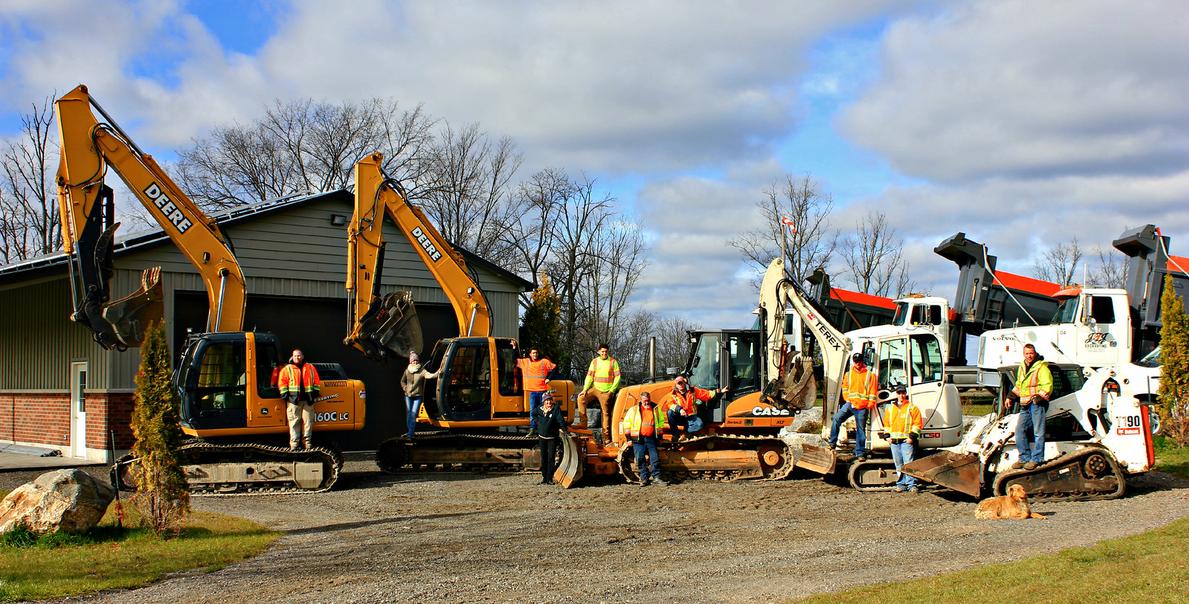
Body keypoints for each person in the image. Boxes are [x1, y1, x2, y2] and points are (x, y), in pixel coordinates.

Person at [827, 352, 879, 461]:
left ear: (862, 361)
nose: (857, 364)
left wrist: (869, 405)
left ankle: (859, 453)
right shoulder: (848, 374)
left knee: (861, 430)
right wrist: (848, 399)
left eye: (859, 361)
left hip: (862, 407)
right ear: (853, 362)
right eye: (855, 361)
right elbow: (845, 388)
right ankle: (832, 443)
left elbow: (873, 391)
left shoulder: (870, 375)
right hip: (850, 404)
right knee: (836, 418)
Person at [1009, 344, 1053, 470]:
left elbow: (1048, 385)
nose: (1029, 356)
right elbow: (1019, 385)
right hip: (1025, 404)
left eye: (1031, 353)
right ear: (1024, 354)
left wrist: (1038, 398)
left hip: (1036, 404)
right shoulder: (1022, 367)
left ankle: (1037, 459)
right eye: (1027, 353)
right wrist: (1010, 397)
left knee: (1038, 432)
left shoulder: (1041, 367)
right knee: (1019, 430)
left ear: (1035, 353)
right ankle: (1024, 458)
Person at [880, 385, 923, 493]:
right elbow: (886, 424)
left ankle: (912, 485)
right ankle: (901, 485)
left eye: (903, 393)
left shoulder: (912, 407)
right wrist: (887, 437)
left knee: (908, 463)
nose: (901, 395)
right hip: (894, 442)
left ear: (905, 394)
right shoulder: (890, 408)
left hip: (906, 441)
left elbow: (917, 424)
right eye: (899, 393)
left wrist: (911, 437)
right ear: (896, 394)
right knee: (899, 464)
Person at [278, 348, 321, 450]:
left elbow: (316, 380)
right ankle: (294, 445)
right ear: (292, 357)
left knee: (308, 422)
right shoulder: (287, 369)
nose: (297, 357)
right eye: (295, 356)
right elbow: (282, 382)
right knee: (294, 422)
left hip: (308, 400)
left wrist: (315, 392)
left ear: (302, 356)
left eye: (299, 355)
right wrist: (285, 395)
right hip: (293, 401)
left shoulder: (310, 367)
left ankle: (307, 444)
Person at [620, 391, 666, 486]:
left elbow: (660, 423)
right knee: (640, 458)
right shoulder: (634, 410)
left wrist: (660, 437)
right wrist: (629, 439)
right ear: (641, 400)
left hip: (651, 438)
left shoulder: (655, 409)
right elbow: (627, 424)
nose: (647, 402)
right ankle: (644, 478)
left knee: (655, 458)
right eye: (645, 400)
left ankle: (656, 477)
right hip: (638, 439)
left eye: (648, 400)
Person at [576, 343, 621, 441]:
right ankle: (583, 423)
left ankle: (606, 438)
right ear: (599, 352)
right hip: (595, 388)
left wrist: (611, 391)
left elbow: (618, 378)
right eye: (602, 351)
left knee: (605, 413)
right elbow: (589, 376)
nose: (604, 353)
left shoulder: (613, 362)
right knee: (581, 398)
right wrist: (585, 389)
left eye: (606, 351)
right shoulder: (595, 362)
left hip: (606, 391)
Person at [664, 375, 725, 443]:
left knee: (699, 424)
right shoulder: (672, 394)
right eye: (678, 383)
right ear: (676, 385)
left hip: (691, 417)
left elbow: (706, 394)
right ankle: (675, 435)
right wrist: (680, 409)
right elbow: (670, 404)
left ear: (685, 383)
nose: (680, 385)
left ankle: (687, 433)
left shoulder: (693, 391)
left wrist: (719, 391)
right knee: (670, 413)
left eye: (681, 383)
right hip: (680, 417)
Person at [517, 347, 557, 437]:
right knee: (533, 411)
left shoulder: (544, 362)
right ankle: (533, 429)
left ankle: (544, 429)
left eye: (536, 353)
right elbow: (514, 361)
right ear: (530, 354)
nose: (535, 354)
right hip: (533, 392)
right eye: (533, 353)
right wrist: (514, 347)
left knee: (544, 411)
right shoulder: (526, 362)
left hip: (542, 391)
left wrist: (549, 378)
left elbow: (554, 368)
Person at [400, 352, 440, 439]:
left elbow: (430, 376)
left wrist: (438, 373)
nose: (415, 362)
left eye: (416, 360)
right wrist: (405, 388)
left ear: (418, 361)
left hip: (417, 396)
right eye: (413, 360)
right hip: (408, 396)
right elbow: (402, 381)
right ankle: (410, 431)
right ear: (410, 362)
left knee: (413, 414)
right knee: (409, 414)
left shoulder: (422, 370)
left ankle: (410, 434)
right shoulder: (407, 370)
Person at [534, 392, 566, 485]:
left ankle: (549, 478)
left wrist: (565, 430)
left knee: (551, 458)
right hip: (542, 437)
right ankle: (544, 477)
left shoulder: (556, 409)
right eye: (546, 401)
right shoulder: (539, 409)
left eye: (550, 400)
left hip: (552, 437)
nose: (548, 402)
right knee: (543, 457)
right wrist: (538, 423)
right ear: (544, 402)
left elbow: (560, 420)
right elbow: (533, 414)